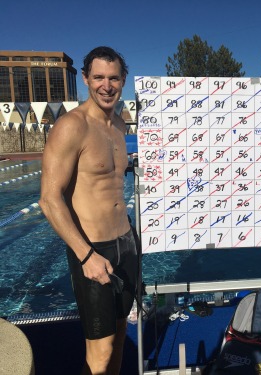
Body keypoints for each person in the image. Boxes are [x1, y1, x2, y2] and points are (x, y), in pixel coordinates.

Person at [39, 46, 138, 375]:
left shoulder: (120, 127)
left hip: (126, 243)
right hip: (93, 249)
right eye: (98, 77)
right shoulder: (71, 126)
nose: (106, 86)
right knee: (99, 352)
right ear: (85, 79)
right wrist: (85, 255)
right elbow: (49, 199)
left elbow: (111, 178)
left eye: (113, 78)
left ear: (123, 81)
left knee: (121, 336)